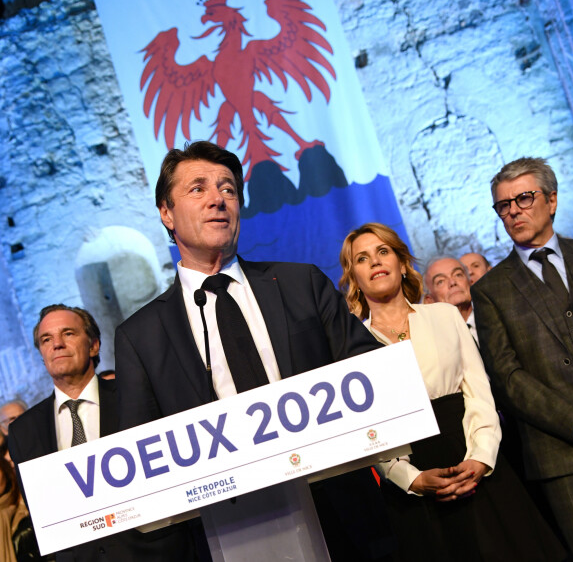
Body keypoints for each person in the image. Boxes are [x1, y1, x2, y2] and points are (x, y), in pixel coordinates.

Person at [114, 140, 393, 561]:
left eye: (228, 189)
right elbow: (142, 456)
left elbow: (371, 372)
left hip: (340, 513)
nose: (217, 200)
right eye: (198, 189)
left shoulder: (302, 284)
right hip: (229, 532)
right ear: (166, 213)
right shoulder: (141, 336)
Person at [339, 222, 566, 562]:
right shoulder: (350, 344)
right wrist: (409, 478)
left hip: (479, 466)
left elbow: (479, 392)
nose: (375, 262)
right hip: (416, 488)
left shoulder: (444, 316)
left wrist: (480, 457)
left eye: (383, 251)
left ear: (402, 264)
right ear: (353, 276)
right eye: (362, 258)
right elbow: (369, 432)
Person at [9, 304, 196, 562]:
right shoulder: (23, 430)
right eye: (46, 339)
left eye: (68, 334)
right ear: (41, 354)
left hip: (155, 553)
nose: (57, 344)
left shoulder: (140, 397)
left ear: (94, 345)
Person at [471, 156, 573, 560]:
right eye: (504, 205)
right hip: (561, 456)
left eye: (524, 198)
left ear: (551, 201)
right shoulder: (490, 290)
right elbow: (507, 378)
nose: (513, 210)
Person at [423, 256, 478, 344]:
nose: (452, 283)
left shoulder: (493, 315)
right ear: (430, 300)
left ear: (470, 282)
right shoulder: (431, 342)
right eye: (440, 281)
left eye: (458, 275)